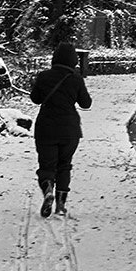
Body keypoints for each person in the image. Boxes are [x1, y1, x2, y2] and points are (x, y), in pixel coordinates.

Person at [29, 43, 93, 216]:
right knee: (64, 165)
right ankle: (61, 205)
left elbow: (35, 99)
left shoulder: (44, 76)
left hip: (46, 128)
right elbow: (86, 104)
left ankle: (48, 188)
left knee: (46, 165)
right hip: (69, 130)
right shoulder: (76, 78)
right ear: (74, 60)